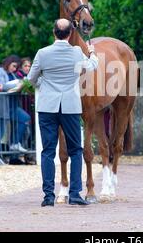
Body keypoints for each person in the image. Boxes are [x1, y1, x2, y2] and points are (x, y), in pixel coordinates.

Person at [28, 18, 99, 207]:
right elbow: (92, 66)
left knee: (48, 152)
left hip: (47, 107)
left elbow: (31, 78)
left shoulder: (42, 53)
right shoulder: (76, 52)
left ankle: (48, 196)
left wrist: (43, 85)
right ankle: (75, 194)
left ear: (54, 33)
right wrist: (92, 53)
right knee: (76, 150)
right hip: (70, 107)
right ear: (69, 34)